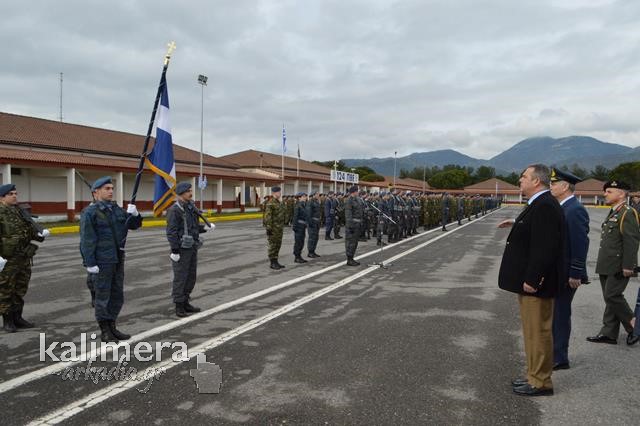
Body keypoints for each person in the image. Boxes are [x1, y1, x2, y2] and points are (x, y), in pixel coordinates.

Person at [497, 164, 564, 397]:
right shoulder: (540, 203)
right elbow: (536, 232)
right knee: (531, 331)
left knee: (538, 332)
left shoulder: (545, 205)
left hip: (537, 284)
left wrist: (534, 278)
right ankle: (533, 375)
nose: (520, 180)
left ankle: (541, 382)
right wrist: (516, 223)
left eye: (524, 176)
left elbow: (545, 247)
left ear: (536, 181)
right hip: (531, 282)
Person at [79, 176, 142, 342]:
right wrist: (90, 263)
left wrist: (135, 214)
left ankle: (113, 326)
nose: (111, 191)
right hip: (102, 260)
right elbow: (87, 240)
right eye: (107, 188)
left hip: (118, 257)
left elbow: (133, 225)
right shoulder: (90, 212)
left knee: (116, 295)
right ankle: (105, 330)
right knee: (102, 295)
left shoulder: (116, 209)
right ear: (96, 192)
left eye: (112, 188)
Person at [587, 180, 640, 346]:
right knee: (609, 299)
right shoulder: (614, 211)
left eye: (609, 191)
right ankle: (609, 333)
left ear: (621, 194)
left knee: (612, 296)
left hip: (619, 265)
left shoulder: (627, 212)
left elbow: (631, 241)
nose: (605, 194)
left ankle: (634, 325)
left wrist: (629, 266)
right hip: (607, 263)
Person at [549, 169, 590, 369]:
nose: (550, 187)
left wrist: (575, 272)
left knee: (560, 315)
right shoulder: (563, 207)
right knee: (555, 314)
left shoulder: (575, 209)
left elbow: (580, 243)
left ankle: (559, 358)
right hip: (559, 272)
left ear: (565, 186)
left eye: (554, 183)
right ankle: (554, 354)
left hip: (567, 274)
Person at [0, 184, 49, 333]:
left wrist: (39, 235)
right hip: (7, 259)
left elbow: (28, 230)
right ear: (2, 197)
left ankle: (18, 318)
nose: (15, 196)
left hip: (23, 257)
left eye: (15, 193)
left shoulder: (20, 211)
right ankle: (8, 321)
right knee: (6, 290)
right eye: (11, 194)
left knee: (20, 288)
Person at [166, 182, 214, 318]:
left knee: (191, 276)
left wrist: (204, 228)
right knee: (181, 277)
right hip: (181, 249)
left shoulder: (190, 207)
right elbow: (171, 232)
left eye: (191, 191)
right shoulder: (174, 210)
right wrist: (175, 250)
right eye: (188, 191)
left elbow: (193, 227)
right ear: (181, 193)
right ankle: (179, 305)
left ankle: (186, 301)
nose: (191, 193)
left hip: (192, 246)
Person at [264, 186, 286, 270]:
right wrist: (269, 228)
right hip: (273, 228)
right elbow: (268, 217)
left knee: (278, 244)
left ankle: (276, 261)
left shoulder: (279, 202)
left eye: (280, 192)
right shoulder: (270, 203)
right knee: (273, 245)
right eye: (278, 192)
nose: (280, 193)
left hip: (279, 228)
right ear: (273, 193)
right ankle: (272, 262)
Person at [344, 186, 363, 266]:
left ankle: (351, 258)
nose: (358, 192)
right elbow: (348, 214)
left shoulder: (357, 200)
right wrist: (350, 226)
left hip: (357, 224)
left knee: (355, 242)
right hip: (352, 224)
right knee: (350, 242)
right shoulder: (349, 200)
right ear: (354, 192)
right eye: (357, 191)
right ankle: (349, 259)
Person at [292, 192, 308, 263]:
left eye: (305, 196)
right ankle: (297, 257)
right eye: (303, 196)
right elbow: (295, 217)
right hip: (299, 226)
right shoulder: (298, 205)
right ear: (299, 198)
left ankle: (299, 256)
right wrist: (295, 226)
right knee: (298, 242)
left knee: (301, 241)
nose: (305, 198)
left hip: (303, 226)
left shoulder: (304, 205)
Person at [306, 191, 322, 258]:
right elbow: (308, 214)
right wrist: (310, 223)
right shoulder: (310, 202)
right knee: (312, 238)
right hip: (313, 222)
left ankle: (313, 251)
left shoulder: (316, 201)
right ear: (313, 195)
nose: (318, 195)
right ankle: (310, 252)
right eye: (317, 194)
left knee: (316, 238)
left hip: (317, 222)